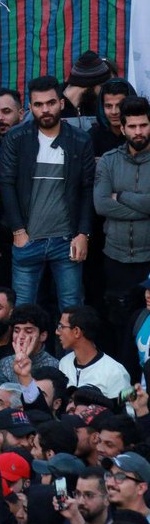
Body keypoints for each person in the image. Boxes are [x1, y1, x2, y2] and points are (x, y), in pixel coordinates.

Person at [0, 75, 95, 310]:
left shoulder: (79, 140)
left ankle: (66, 350)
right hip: (28, 240)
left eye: (50, 103)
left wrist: (83, 234)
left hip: (66, 240)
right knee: (22, 310)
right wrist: (18, 231)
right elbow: (6, 184)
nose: (45, 110)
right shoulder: (16, 138)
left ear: (61, 103)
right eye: (38, 105)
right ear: (30, 108)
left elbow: (88, 189)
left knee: (71, 310)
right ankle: (24, 349)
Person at [94, 95, 150, 359]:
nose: (138, 132)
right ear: (123, 127)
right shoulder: (108, 160)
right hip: (115, 257)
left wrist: (123, 196)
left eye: (144, 125)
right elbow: (102, 205)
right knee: (118, 324)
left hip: (149, 258)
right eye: (133, 126)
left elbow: (114, 200)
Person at [0, 88, 26, 287]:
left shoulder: (35, 147)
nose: (0, 118)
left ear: (21, 113)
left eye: (6, 112)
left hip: (35, 239)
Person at [56, 305, 130, 398]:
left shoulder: (117, 372)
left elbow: (128, 410)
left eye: (61, 327)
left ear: (76, 331)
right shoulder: (64, 363)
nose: (57, 332)